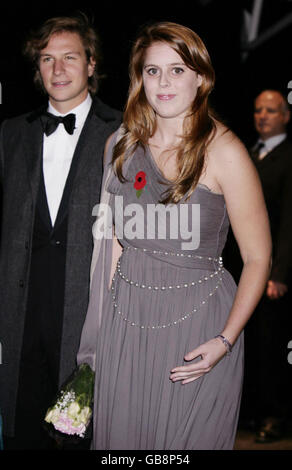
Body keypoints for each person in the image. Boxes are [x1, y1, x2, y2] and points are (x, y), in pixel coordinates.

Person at [77, 21, 271, 450]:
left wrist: (226, 340)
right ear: (138, 78)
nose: (163, 82)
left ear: (200, 77)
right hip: (127, 321)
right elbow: (111, 247)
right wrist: (100, 333)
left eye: (178, 70)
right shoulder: (120, 146)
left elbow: (258, 258)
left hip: (200, 328)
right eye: (152, 71)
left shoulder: (226, 151)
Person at [0, 14, 121, 449]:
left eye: (69, 57)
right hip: (20, 304)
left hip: (89, 302)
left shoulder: (124, 131)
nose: (57, 69)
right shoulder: (11, 133)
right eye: (47, 59)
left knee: (83, 431)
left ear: (92, 64)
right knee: (23, 426)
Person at [239, 90, 292, 442]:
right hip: (241, 270)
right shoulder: (246, 153)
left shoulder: (289, 157)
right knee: (248, 344)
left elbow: (290, 220)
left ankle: (275, 415)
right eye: (258, 110)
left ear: (285, 116)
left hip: (271, 273)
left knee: (272, 346)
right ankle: (250, 412)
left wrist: (279, 274)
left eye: (271, 110)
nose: (263, 116)